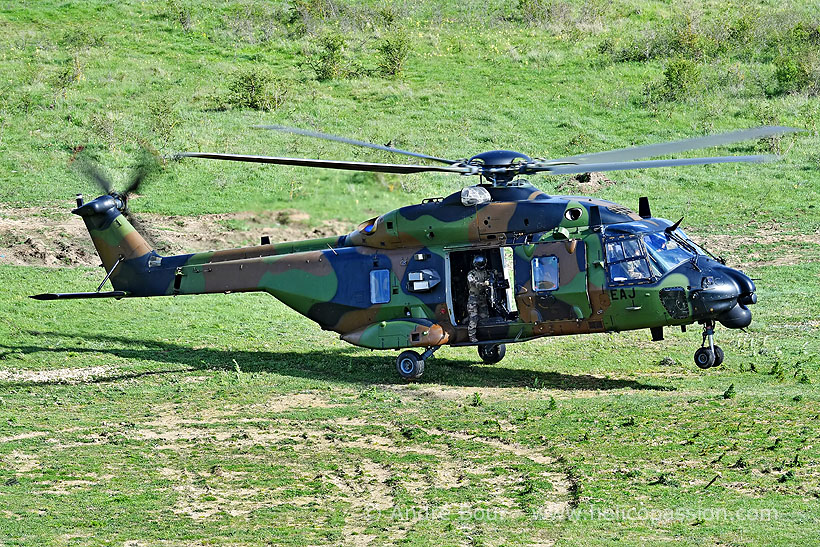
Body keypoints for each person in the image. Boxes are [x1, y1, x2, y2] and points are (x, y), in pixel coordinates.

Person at [466, 255, 491, 342]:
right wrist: (484, 284)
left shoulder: (485, 272)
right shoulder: (471, 274)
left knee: (485, 317)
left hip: (482, 297)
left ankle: (485, 335)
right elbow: (474, 283)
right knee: (473, 318)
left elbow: (490, 279)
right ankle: (472, 337)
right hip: (473, 298)